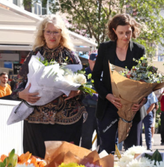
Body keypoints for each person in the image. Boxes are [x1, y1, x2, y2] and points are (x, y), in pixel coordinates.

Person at [10, 14, 85, 158]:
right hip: (35, 120)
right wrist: (21, 94)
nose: (52, 35)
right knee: (36, 165)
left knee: (62, 166)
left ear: (61, 34)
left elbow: (84, 87)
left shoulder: (70, 56)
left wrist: (77, 92)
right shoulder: (34, 55)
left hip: (65, 121)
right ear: (42, 33)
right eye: (48, 31)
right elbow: (18, 85)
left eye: (56, 31)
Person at [92, 14, 147, 154]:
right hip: (108, 106)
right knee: (106, 151)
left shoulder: (139, 50)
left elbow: (145, 80)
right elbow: (96, 77)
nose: (125, 36)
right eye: (121, 33)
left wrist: (141, 101)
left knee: (133, 151)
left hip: (132, 108)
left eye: (128, 32)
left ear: (133, 30)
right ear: (114, 30)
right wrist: (108, 96)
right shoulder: (105, 48)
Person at [80, 53, 98, 150]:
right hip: (88, 110)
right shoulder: (83, 74)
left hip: (100, 110)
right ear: (89, 61)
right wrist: (96, 96)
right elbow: (83, 91)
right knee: (86, 138)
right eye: (94, 62)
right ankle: (85, 161)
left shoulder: (103, 74)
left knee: (102, 139)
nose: (96, 64)